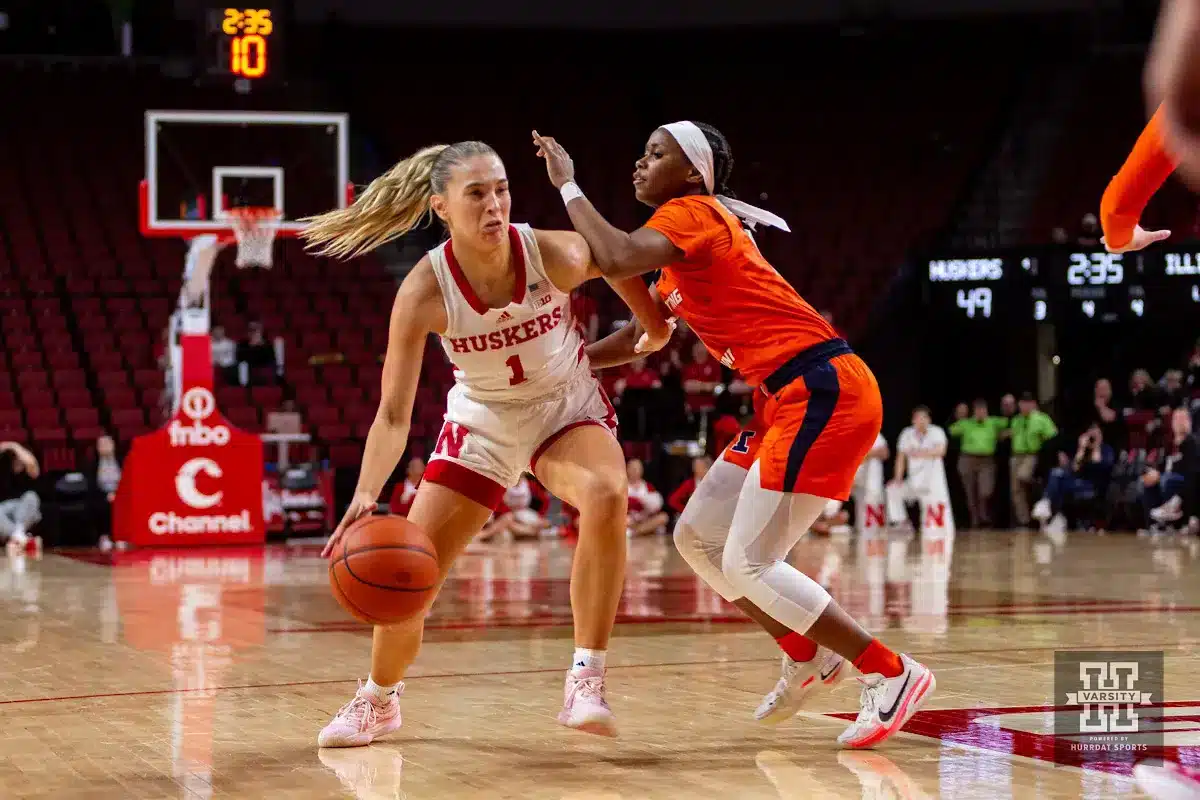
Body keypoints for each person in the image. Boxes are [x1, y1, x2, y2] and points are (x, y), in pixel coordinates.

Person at [537, 121, 934, 748]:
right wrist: (570, 359)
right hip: (787, 399)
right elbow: (649, 334)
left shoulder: (694, 213)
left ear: (693, 174)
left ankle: (890, 672)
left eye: (655, 154)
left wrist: (568, 187)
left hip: (823, 389)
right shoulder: (678, 249)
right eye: (641, 152)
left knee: (750, 561)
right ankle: (807, 653)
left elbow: (612, 256)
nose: (640, 163)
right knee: (697, 538)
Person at [299, 140, 673, 748]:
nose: (494, 204)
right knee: (407, 572)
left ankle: (586, 678)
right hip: (483, 423)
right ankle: (379, 698)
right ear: (441, 207)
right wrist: (367, 495)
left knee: (607, 494)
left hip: (563, 409)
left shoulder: (551, 251)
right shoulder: (424, 289)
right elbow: (393, 414)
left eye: (500, 189)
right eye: (476, 194)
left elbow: (614, 260)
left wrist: (650, 328)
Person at [887, 406, 950, 532]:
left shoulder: (937, 432)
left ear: (929, 420)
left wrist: (920, 453)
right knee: (892, 489)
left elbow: (941, 451)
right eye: (918, 418)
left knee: (933, 526)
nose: (921, 420)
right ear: (913, 420)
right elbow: (901, 458)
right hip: (914, 481)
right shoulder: (906, 433)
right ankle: (901, 522)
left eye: (924, 417)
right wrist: (898, 478)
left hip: (932, 484)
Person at [948, 399, 1006, 529]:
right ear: (974, 412)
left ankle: (983, 513)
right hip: (968, 459)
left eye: (983, 410)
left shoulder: (994, 422)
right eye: (978, 410)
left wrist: (1005, 433)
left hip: (987, 461)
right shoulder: (966, 423)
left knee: (986, 491)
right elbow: (951, 431)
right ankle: (975, 519)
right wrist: (960, 417)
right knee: (970, 492)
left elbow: (1010, 424)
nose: (980, 413)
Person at [0, 441, 42, 556]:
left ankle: (16, 538)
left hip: (25, 511)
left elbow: (32, 464)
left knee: (32, 497)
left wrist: (14, 446)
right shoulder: (4, 466)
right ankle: (21, 538)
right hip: (4, 510)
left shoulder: (29, 469)